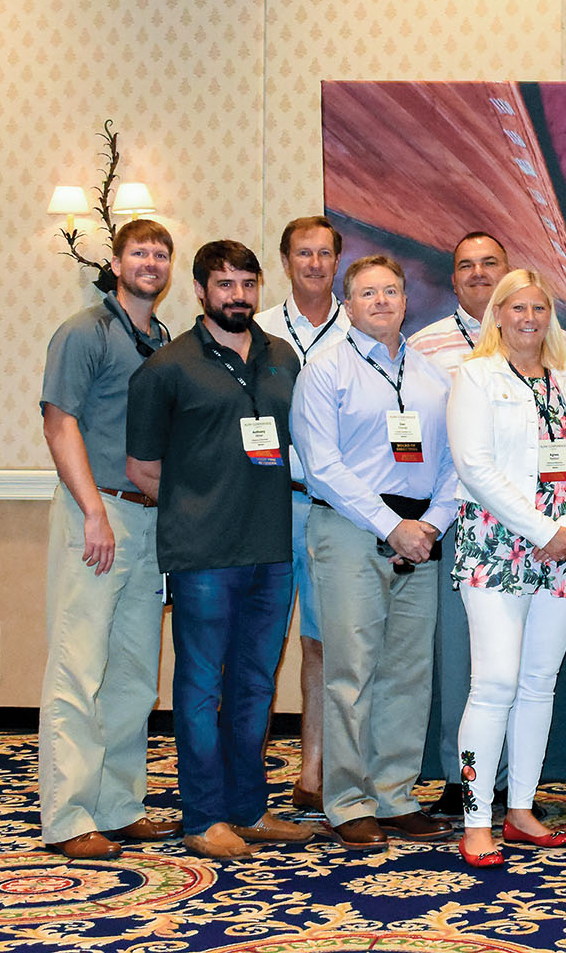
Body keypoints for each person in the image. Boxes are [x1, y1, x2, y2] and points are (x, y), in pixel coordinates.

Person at [126, 240, 314, 859]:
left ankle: (248, 809)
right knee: (202, 687)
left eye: (247, 284)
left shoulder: (281, 356)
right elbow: (143, 467)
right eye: (224, 284)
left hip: (272, 550)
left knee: (257, 684)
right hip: (203, 554)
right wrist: (203, 505)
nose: (237, 296)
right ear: (201, 291)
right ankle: (203, 817)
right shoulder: (167, 368)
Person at [290, 255, 459, 851]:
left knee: (408, 672)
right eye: (367, 293)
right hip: (351, 529)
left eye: (391, 291)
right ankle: (348, 800)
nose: (382, 301)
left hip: (421, 536)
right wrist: (393, 527)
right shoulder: (325, 370)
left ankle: (394, 795)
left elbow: (453, 464)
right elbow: (323, 464)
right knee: (351, 670)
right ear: (349, 303)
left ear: (407, 301)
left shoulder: (433, 376)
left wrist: (431, 525)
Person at [446, 270, 566, 867]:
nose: (529, 318)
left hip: (562, 553)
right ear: (498, 314)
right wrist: (546, 531)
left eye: (539, 308)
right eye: (517, 307)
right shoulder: (475, 375)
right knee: (493, 683)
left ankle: (519, 809)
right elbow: (474, 467)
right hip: (499, 548)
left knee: (538, 683)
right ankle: (476, 819)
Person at [39, 219, 181, 859]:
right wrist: (93, 510)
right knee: (78, 668)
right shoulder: (84, 332)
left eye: (160, 253)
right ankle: (68, 817)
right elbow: (59, 422)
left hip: (148, 521)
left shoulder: (162, 338)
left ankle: (119, 806)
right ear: (116, 262)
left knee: (131, 674)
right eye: (139, 252)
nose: (150, 262)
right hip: (95, 517)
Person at [409, 231, 511, 819]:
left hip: (524, 529)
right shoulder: (425, 347)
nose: (478, 274)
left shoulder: (541, 336)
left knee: (517, 660)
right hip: (456, 521)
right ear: (453, 280)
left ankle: (512, 779)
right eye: (466, 266)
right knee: (459, 659)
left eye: (489, 264)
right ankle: (459, 775)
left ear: (508, 270)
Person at [253, 215, 349, 815]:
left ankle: (313, 772)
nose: (314, 264)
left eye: (324, 254)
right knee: (260, 643)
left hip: (335, 511)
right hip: (268, 506)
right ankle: (247, 771)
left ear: (338, 260)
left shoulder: (363, 329)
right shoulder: (259, 331)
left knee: (321, 644)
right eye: (302, 254)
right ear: (286, 261)